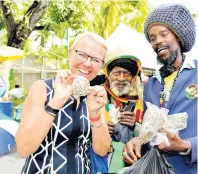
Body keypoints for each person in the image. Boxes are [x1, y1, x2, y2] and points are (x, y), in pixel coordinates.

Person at [15, 32, 111, 174]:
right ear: (70, 54)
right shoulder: (43, 88)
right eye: (82, 54)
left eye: (96, 60)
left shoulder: (94, 97)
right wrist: (57, 101)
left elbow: (102, 150)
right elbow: (23, 148)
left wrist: (95, 113)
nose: (87, 63)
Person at [123, 3, 197, 174]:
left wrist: (187, 145)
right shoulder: (151, 85)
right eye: (152, 38)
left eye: (164, 34)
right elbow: (149, 129)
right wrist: (139, 141)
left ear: (178, 36)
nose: (157, 42)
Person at [102, 54, 143, 172]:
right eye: (116, 73)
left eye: (127, 74)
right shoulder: (95, 95)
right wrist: (97, 127)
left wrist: (135, 125)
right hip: (98, 159)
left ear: (134, 77)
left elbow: (150, 134)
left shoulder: (141, 101)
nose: (121, 78)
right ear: (108, 75)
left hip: (130, 162)